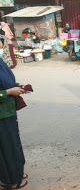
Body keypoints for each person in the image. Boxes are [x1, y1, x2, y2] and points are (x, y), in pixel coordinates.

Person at [0, 36, 28, 189]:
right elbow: (4, 89)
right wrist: (9, 92)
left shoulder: (1, 63)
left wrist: (18, 87)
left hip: (9, 112)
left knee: (13, 144)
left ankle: (17, 173)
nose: (1, 49)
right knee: (7, 149)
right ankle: (10, 181)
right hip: (1, 115)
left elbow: (7, 81)